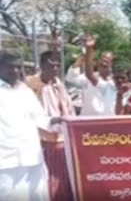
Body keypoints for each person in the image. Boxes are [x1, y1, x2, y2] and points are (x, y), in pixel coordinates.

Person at [0, 51, 59, 201]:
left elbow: (39, 118)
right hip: (6, 162)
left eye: (18, 67)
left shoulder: (25, 91)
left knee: (39, 196)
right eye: (10, 67)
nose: (15, 71)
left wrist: (55, 121)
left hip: (33, 157)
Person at [25, 51, 74, 201]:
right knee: (45, 180)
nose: (55, 68)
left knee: (62, 179)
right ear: (42, 65)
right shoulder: (30, 84)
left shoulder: (59, 84)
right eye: (52, 65)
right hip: (41, 140)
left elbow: (68, 108)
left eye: (58, 65)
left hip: (61, 139)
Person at [82, 35, 131, 115]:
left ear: (128, 78)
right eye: (117, 77)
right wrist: (89, 49)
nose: (119, 80)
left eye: (122, 78)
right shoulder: (107, 86)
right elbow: (89, 74)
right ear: (113, 77)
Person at [65, 50, 114, 115]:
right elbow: (70, 78)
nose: (104, 63)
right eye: (102, 60)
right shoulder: (88, 78)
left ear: (111, 64)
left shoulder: (116, 82)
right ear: (98, 62)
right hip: (88, 120)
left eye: (107, 61)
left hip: (108, 121)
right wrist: (80, 59)